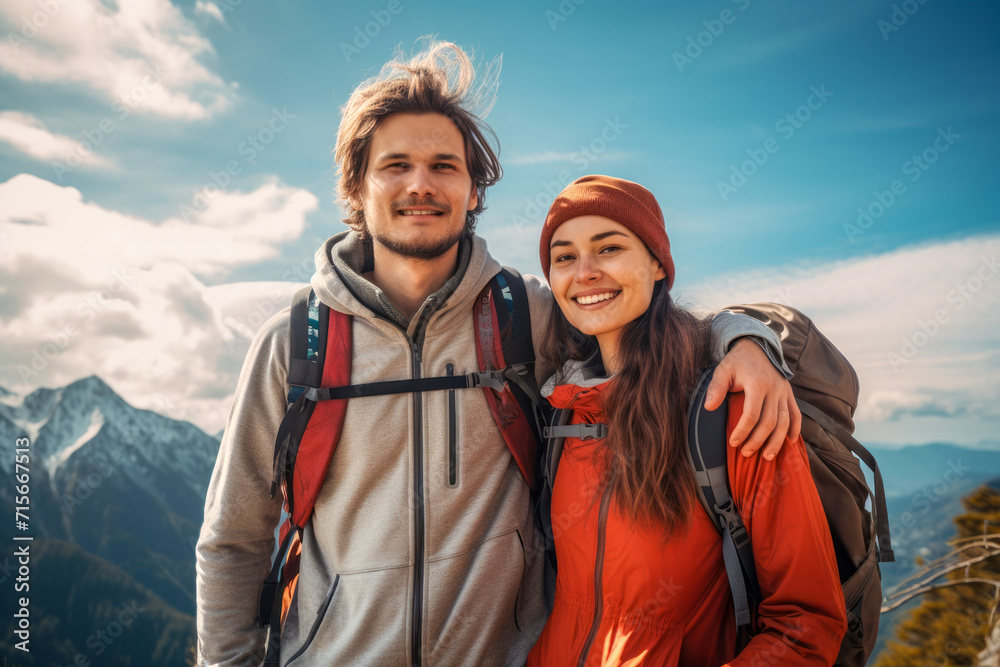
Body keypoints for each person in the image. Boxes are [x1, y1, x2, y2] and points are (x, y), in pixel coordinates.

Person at [196, 42, 801, 666]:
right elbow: (232, 541)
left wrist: (746, 340)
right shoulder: (294, 345)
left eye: (444, 165)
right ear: (357, 183)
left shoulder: (522, 317)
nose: (420, 185)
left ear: (474, 190)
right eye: (395, 164)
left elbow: (640, 315)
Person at [528, 175, 848, 666]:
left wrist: (745, 340)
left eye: (609, 248)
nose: (585, 272)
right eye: (564, 257)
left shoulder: (734, 411)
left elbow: (806, 626)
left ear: (658, 265)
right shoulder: (564, 411)